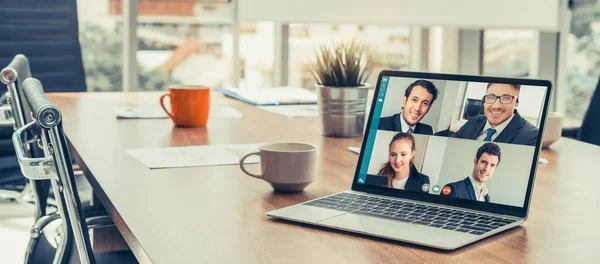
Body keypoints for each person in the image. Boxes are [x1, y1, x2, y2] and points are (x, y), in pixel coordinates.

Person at [452, 83, 538, 146]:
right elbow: (450, 146)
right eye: (491, 97)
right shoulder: (474, 121)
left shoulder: (531, 136)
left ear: (516, 102)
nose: (496, 106)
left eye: (506, 98)